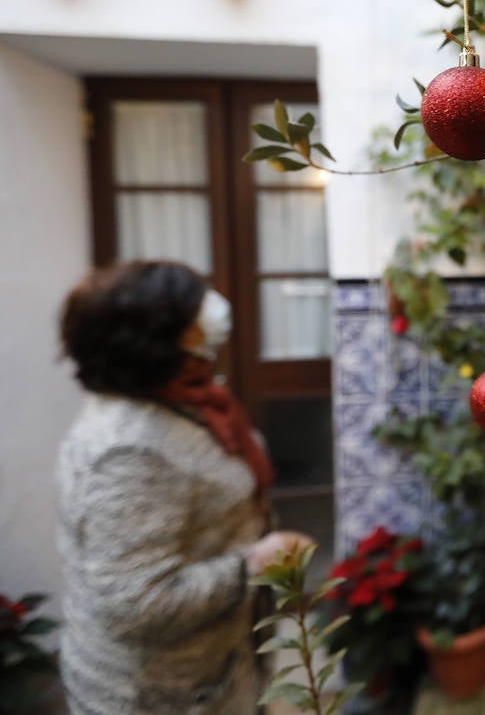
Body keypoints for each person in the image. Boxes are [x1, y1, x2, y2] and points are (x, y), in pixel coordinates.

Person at [56, 261, 313, 714]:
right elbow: (137, 603)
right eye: (196, 313)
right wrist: (255, 563)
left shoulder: (176, 397)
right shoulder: (130, 449)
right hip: (159, 694)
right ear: (151, 342)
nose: (213, 316)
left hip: (215, 672)